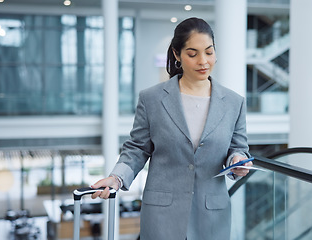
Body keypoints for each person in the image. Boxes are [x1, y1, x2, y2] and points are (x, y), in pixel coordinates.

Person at [91, 17, 252, 240]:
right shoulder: (152, 99)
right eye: (192, 54)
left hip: (212, 217)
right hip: (162, 216)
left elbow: (238, 148)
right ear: (177, 55)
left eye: (209, 51)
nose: (203, 61)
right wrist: (116, 178)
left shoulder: (235, 103)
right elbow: (137, 148)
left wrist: (237, 161)